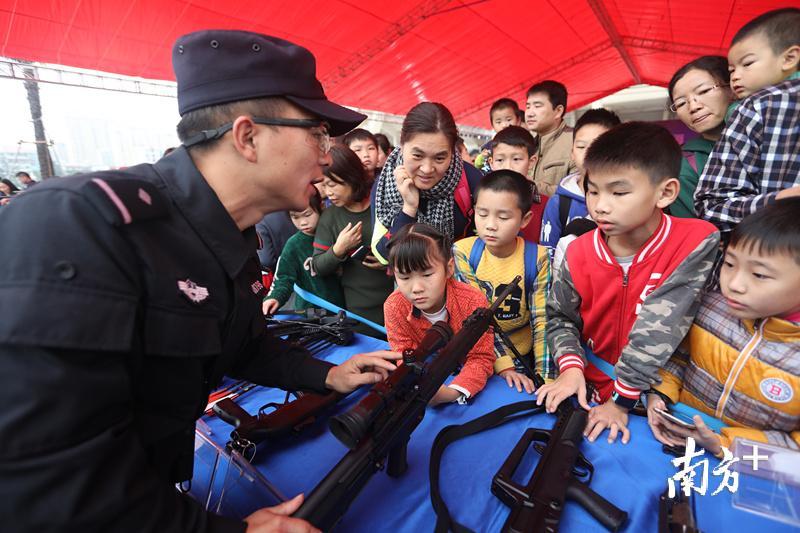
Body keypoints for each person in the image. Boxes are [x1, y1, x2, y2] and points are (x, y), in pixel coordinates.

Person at [0, 30, 401, 533]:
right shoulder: (78, 228)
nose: (327, 156)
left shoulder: (231, 239)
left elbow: (242, 347)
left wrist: (328, 376)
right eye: (318, 135)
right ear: (248, 137)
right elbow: (48, 478)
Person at [538, 122, 719, 444]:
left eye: (619, 192)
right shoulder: (577, 250)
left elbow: (661, 326)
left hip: (659, 395)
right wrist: (570, 367)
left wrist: (621, 401)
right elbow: (559, 318)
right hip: (589, 389)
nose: (601, 205)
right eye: (592, 191)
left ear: (665, 192)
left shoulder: (695, 241)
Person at [647, 198, 800, 453]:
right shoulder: (710, 309)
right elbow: (677, 358)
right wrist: (659, 395)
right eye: (729, 264)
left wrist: (726, 445)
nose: (734, 284)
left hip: (747, 473)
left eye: (759, 274)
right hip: (673, 439)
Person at [695, 8, 800, 239]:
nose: (735, 76)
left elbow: (711, 207)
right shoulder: (751, 108)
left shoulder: (756, 107)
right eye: (731, 70)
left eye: (747, 64)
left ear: (790, 58)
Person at [453, 170, 553, 393]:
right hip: (478, 352)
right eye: (482, 214)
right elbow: (477, 320)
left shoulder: (538, 258)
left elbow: (542, 320)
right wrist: (505, 367)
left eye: (503, 217)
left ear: (525, 219)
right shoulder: (464, 252)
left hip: (523, 356)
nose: (490, 225)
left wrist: (545, 378)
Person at [383, 223, 494, 405]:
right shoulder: (394, 307)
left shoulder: (473, 301)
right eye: (404, 277)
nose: (416, 288)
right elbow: (404, 356)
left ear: (449, 268)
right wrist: (419, 385)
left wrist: (452, 392)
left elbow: (481, 357)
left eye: (427, 274)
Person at [370, 102, 482, 264]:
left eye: (439, 158)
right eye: (417, 155)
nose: (427, 169)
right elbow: (383, 255)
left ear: (452, 151)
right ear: (402, 146)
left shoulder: (471, 180)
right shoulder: (385, 184)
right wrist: (409, 208)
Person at [313, 145, 393, 335]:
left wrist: (389, 263)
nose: (328, 192)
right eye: (324, 186)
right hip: (359, 312)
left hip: (396, 300)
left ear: (351, 176)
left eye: (332, 185)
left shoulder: (381, 206)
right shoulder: (330, 217)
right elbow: (317, 267)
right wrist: (338, 249)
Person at [540, 108, 621, 251]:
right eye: (581, 146)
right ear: (572, 153)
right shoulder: (559, 204)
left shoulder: (627, 201)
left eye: (598, 145)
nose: (589, 153)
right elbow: (548, 255)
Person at [666, 56, 734, 218]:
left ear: (732, 87)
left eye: (703, 91)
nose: (694, 107)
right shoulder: (683, 167)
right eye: (681, 103)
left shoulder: (775, 136)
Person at [262, 189, 345, 315]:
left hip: (343, 310)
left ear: (321, 206)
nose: (303, 222)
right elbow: (283, 278)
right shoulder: (294, 245)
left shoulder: (337, 234)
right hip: (311, 314)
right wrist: (274, 298)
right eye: (295, 217)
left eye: (307, 215)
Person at [487, 125, 548, 243]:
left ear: (531, 162)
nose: (508, 167)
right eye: (500, 160)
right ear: (491, 162)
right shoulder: (482, 200)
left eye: (516, 159)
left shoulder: (547, 205)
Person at [524, 80, 577, 196]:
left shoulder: (576, 142)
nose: (529, 113)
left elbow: (579, 190)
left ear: (558, 111)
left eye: (537, 106)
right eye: (528, 106)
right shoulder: (527, 145)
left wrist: (528, 185)